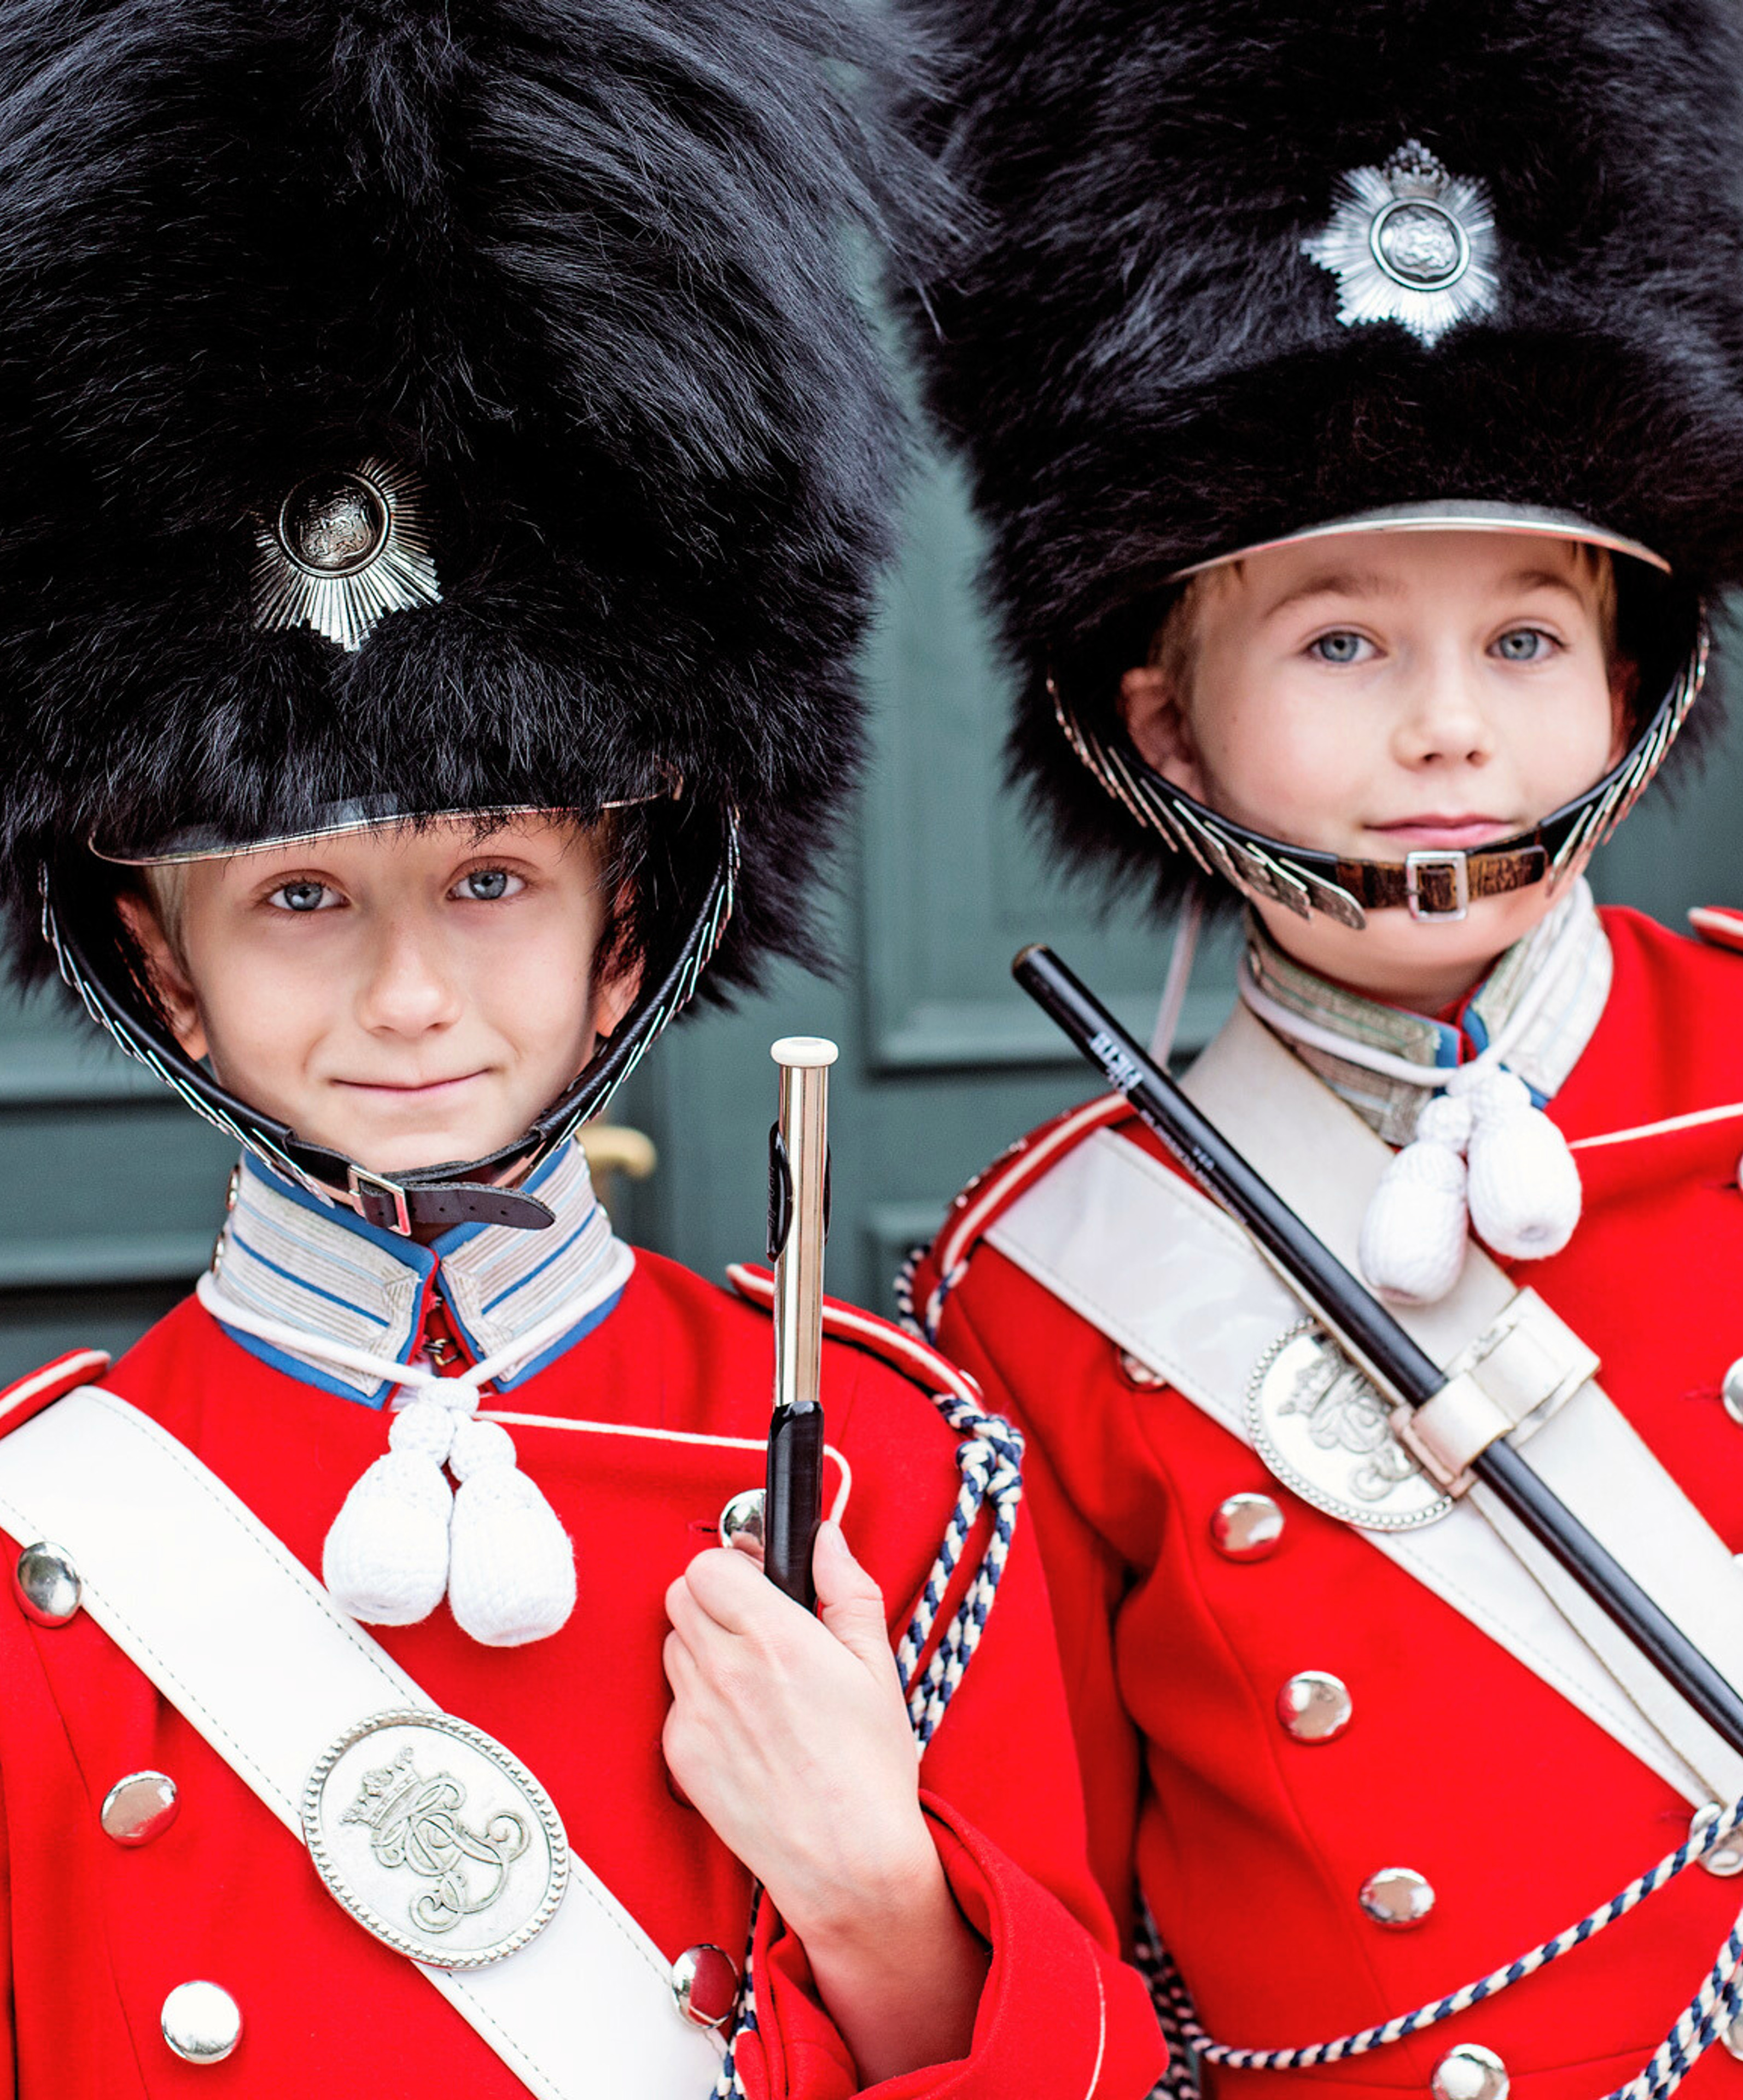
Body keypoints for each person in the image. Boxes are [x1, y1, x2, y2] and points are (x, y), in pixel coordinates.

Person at [902, 2, 1743, 2095]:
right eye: (1344, 637)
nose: (1448, 725)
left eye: (1526, 639)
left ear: (1633, 679)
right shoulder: (1033, 1287)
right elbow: (1061, 1924)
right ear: (1163, 717)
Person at [0, 5, 1163, 2096]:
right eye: (293, 899)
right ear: (157, 967)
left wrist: (878, 1893)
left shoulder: (907, 1467)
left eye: (489, 883)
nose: (410, 997)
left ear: (627, 917)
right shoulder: (36, 1533)